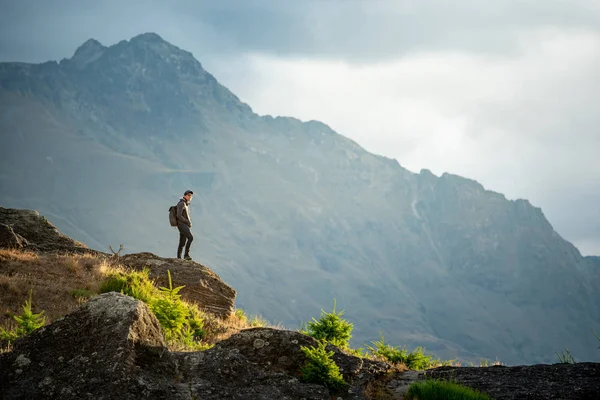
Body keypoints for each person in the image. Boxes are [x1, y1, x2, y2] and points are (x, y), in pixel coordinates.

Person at [176, 190, 194, 260]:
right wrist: (187, 221)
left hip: (183, 225)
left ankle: (179, 258)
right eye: (189, 195)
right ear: (185, 195)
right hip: (181, 224)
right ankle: (186, 255)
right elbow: (178, 216)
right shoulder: (181, 203)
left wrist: (188, 223)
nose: (190, 197)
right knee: (190, 237)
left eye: (191, 196)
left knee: (182, 242)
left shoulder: (185, 204)